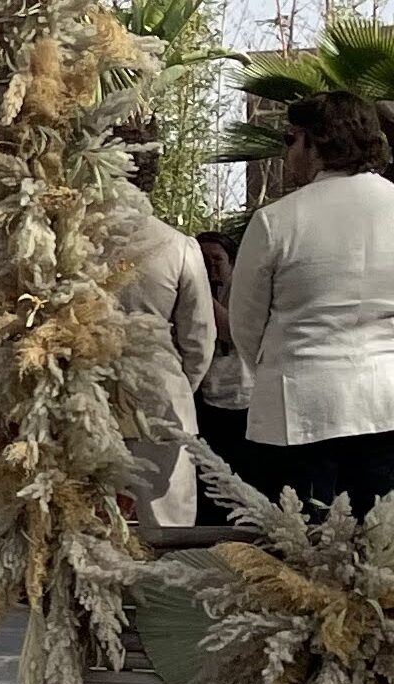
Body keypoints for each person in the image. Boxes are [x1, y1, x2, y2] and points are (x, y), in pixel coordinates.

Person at [229, 90, 394, 520]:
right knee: (380, 544)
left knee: (301, 545)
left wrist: (274, 368)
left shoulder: (278, 220)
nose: (287, 153)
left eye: (290, 139)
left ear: (316, 140)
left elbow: (245, 323)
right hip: (385, 403)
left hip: (299, 408)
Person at [110, 125, 215, 530]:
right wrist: (179, 384)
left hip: (86, 393)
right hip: (160, 397)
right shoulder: (178, 246)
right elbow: (199, 339)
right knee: (167, 526)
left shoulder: (74, 240)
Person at [194, 232, 263, 526]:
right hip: (207, 395)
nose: (211, 268)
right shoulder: (190, 288)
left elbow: (230, 332)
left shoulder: (244, 292)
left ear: (232, 263)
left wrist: (201, 292)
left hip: (243, 396)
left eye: (217, 260)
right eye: (203, 260)